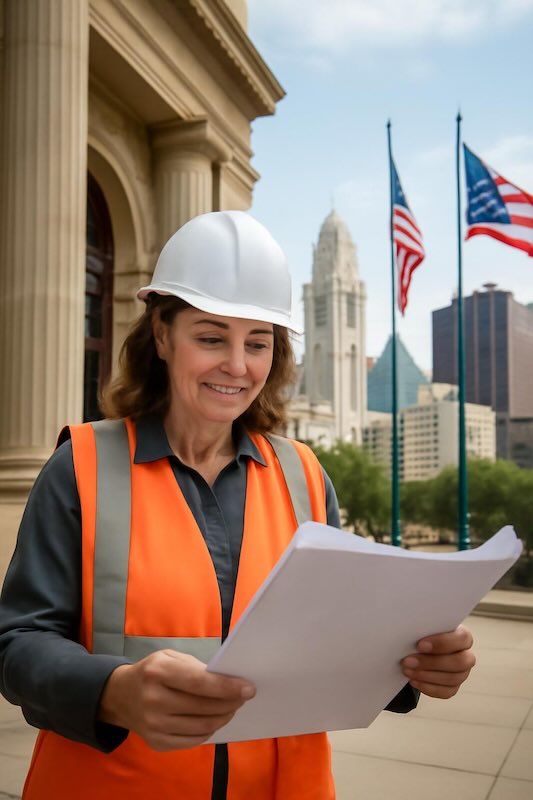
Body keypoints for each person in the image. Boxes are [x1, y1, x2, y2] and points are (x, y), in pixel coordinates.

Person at [0, 211, 475, 799]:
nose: (237, 365)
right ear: (161, 335)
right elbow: (19, 643)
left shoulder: (304, 475)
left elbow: (340, 639)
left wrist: (414, 666)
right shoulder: (81, 468)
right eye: (210, 337)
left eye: (258, 343)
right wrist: (112, 690)